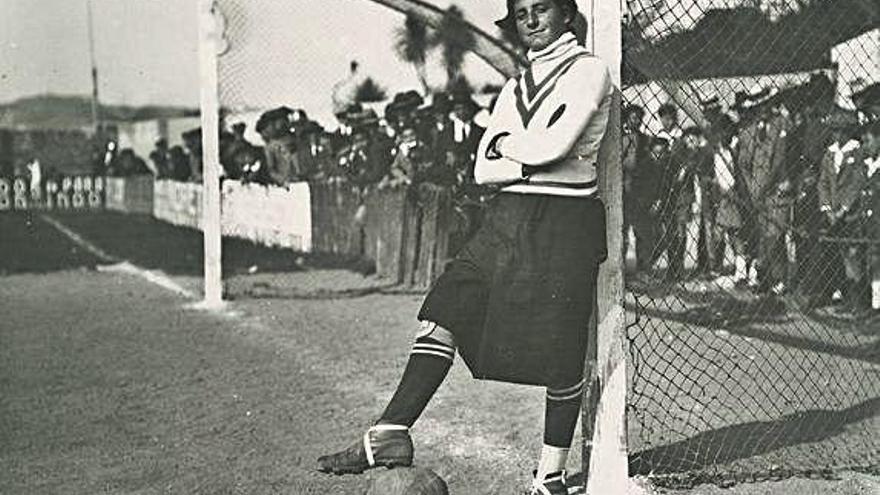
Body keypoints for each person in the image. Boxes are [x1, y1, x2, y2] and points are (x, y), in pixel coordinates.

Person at [316, 1, 611, 493]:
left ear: (566, 15)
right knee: (446, 305)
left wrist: (510, 146)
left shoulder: (590, 71)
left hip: (565, 218)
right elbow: (482, 167)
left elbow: (551, 146)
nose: (532, 21)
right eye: (522, 15)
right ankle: (391, 429)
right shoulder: (517, 85)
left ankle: (551, 476)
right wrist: (525, 150)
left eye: (543, 9)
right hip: (508, 215)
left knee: (563, 342)